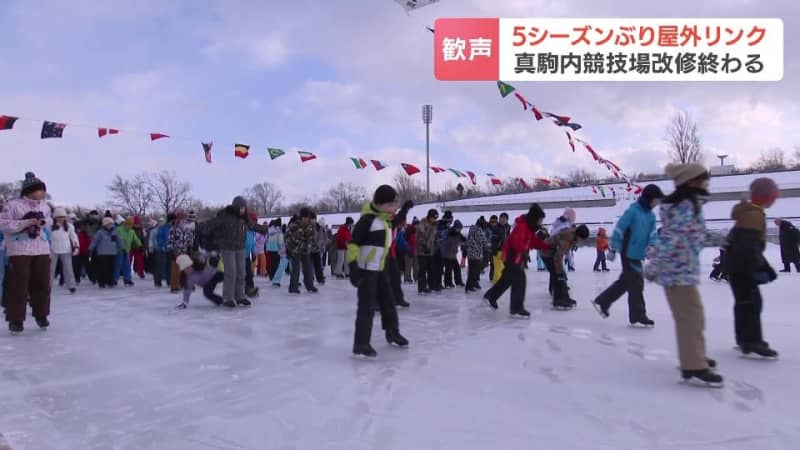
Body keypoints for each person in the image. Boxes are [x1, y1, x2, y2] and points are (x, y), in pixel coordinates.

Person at [646, 163, 725, 387]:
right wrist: (654, 265)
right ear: (691, 181)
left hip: (683, 270)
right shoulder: (683, 207)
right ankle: (692, 364)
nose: (706, 182)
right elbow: (670, 239)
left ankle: (694, 356)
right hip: (676, 272)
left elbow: (696, 236)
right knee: (690, 318)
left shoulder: (689, 204)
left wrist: (724, 239)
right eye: (703, 178)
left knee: (693, 317)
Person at [348, 185, 410, 357]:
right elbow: (353, 244)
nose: (394, 208)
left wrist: (404, 210)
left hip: (381, 269)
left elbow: (396, 222)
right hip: (367, 271)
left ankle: (393, 333)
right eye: (391, 205)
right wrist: (353, 268)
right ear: (380, 204)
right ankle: (361, 343)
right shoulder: (367, 220)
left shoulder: (384, 220)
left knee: (389, 303)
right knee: (366, 307)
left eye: (395, 205)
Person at [593, 184, 664, 326]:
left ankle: (602, 302)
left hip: (638, 254)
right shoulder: (633, 211)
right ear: (649, 198)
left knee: (626, 282)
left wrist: (652, 245)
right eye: (656, 200)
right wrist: (613, 249)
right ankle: (638, 314)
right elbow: (619, 229)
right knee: (636, 283)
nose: (657, 203)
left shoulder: (650, 216)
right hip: (628, 252)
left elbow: (653, 234)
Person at [725, 177, 780, 358]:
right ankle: (752, 341)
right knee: (751, 303)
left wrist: (762, 265)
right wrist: (758, 268)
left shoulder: (750, 212)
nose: (775, 199)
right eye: (774, 195)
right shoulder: (753, 214)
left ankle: (745, 340)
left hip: (737, 265)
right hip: (742, 267)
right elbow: (749, 245)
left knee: (744, 303)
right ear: (767, 197)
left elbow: (741, 242)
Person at [0, 172, 53, 333]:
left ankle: (41, 314)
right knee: (18, 285)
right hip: (19, 250)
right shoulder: (13, 205)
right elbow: (3, 224)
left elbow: (50, 220)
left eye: (43, 190)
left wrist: (43, 222)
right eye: (40, 190)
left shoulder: (44, 206)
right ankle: (16, 319)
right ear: (30, 190)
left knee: (43, 284)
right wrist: (25, 223)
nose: (43, 193)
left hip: (41, 249)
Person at [199, 197, 268, 307]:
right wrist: (200, 227)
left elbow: (253, 225)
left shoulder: (244, 218)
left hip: (241, 248)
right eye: (241, 208)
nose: (243, 210)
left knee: (241, 273)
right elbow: (212, 224)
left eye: (244, 208)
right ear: (235, 207)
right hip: (227, 248)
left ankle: (239, 296)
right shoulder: (225, 216)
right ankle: (228, 298)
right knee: (231, 273)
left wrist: (263, 229)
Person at [483, 204, 548, 318]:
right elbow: (516, 242)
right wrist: (523, 251)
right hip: (512, 257)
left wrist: (546, 246)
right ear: (534, 218)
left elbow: (533, 242)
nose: (541, 222)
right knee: (520, 280)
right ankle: (516, 308)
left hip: (516, 258)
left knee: (506, 280)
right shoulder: (522, 226)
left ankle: (491, 296)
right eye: (540, 219)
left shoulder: (529, 228)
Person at [542, 224, 590, 310]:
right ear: (578, 235)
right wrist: (559, 272)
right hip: (546, 253)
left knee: (561, 276)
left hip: (551, 253)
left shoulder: (572, 235)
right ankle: (558, 301)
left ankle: (565, 297)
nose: (581, 241)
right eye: (582, 239)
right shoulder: (567, 238)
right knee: (558, 276)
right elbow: (558, 257)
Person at [285, 207, 317, 294]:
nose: (307, 219)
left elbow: (312, 238)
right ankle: (293, 287)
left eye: (308, 217)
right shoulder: (294, 225)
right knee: (296, 269)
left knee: (308, 268)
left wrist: (310, 245)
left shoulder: (311, 226)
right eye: (305, 217)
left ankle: (309, 286)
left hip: (305, 250)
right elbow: (287, 237)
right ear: (301, 217)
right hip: (295, 250)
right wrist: (290, 248)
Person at [49, 208, 79, 294]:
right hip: (53, 249)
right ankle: (48, 286)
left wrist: (76, 247)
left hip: (66, 249)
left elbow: (74, 237)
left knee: (68, 268)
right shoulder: (50, 226)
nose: (61, 219)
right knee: (50, 269)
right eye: (58, 217)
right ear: (55, 217)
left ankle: (71, 286)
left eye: (62, 217)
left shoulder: (69, 226)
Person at [89, 217, 124, 289]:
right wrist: (90, 248)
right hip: (102, 253)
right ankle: (101, 282)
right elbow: (95, 241)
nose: (110, 225)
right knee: (102, 268)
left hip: (112, 253)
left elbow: (119, 240)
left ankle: (109, 281)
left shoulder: (115, 231)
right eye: (109, 224)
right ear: (105, 225)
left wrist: (122, 247)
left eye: (111, 224)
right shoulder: (100, 232)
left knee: (110, 268)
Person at [167, 211, 194, 293]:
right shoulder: (173, 229)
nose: (183, 220)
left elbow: (190, 239)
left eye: (184, 218)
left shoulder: (187, 229)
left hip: (184, 250)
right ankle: (174, 286)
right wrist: (172, 250)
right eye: (182, 218)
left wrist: (190, 246)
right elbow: (169, 241)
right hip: (176, 250)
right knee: (176, 269)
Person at [415, 209, 438, 294]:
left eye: (435, 218)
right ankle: (422, 288)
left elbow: (434, 237)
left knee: (431, 269)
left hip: (430, 251)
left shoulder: (434, 225)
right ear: (429, 216)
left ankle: (431, 286)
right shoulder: (422, 224)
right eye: (433, 218)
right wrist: (425, 246)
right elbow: (421, 237)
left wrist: (436, 244)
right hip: (422, 251)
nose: (434, 220)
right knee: (422, 269)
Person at [465, 217, 490, 293]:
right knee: (474, 271)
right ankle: (469, 286)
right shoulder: (479, 231)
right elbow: (484, 241)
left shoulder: (471, 229)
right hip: (476, 253)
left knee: (473, 270)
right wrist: (490, 245)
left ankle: (474, 284)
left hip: (470, 253)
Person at [116, 217, 142, 287]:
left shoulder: (131, 231)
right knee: (117, 265)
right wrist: (121, 247)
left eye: (131, 224)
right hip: (119, 251)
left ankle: (127, 279)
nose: (129, 226)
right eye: (128, 224)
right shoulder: (119, 230)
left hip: (127, 251)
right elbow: (117, 240)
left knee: (127, 266)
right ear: (125, 223)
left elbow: (135, 239)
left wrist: (140, 245)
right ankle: (114, 279)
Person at [442, 220, 465, 288]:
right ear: (455, 227)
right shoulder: (450, 233)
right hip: (447, 254)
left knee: (457, 268)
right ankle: (447, 283)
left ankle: (458, 282)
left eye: (460, 229)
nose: (460, 230)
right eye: (459, 228)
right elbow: (445, 241)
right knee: (448, 269)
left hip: (453, 255)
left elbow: (463, 239)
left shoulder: (458, 234)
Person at [488, 213, 511, 281]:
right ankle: (496, 284)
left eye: (504, 218)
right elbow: (493, 240)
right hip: (497, 251)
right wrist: (494, 249)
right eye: (501, 218)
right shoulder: (496, 228)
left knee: (503, 268)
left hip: (505, 251)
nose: (502, 220)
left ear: (507, 220)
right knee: (497, 269)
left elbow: (508, 238)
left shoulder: (507, 227)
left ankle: (501, 283)